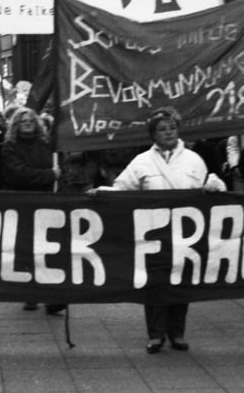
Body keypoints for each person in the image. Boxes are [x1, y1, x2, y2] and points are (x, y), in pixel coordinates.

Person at [94, 107, 226, 354]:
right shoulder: (142, 162)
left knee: (181, 281)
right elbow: (122, 188)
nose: (168, 132)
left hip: (186, 233)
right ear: (153, 134)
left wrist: (214, 186)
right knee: (154, 282)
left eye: (172, 128)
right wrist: (102, 194)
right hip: (152, 233)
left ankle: (177, 332)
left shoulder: (193, 160)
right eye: (162, 129)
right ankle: (155, 334)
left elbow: (210, 186)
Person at [0, 107, 63, 314]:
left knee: (49, 249)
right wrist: (49, 175)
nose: (27, 123)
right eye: (22, 121)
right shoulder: (9, 147)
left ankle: (51, 295)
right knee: (27, 250)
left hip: (46, 202)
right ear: (15, 125)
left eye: (30, 120)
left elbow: (57, 168)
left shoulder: (47, 144)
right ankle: (30, 294)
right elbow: (18, 174)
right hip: (22, 204)